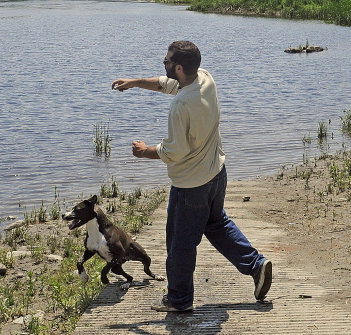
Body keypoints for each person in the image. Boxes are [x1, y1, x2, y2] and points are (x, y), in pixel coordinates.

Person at [112, 40, 273, 313]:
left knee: (180, 244)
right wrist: (136, 82)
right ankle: (256, 265)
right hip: (216, 173)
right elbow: (167, 84)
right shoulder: (204, 78)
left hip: (191, 185)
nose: (163, 65)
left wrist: (144, 151)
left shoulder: (181, 106)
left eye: (166, 62)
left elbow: (174, 151)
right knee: (216, 223)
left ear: (178, 67)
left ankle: (179, 300)